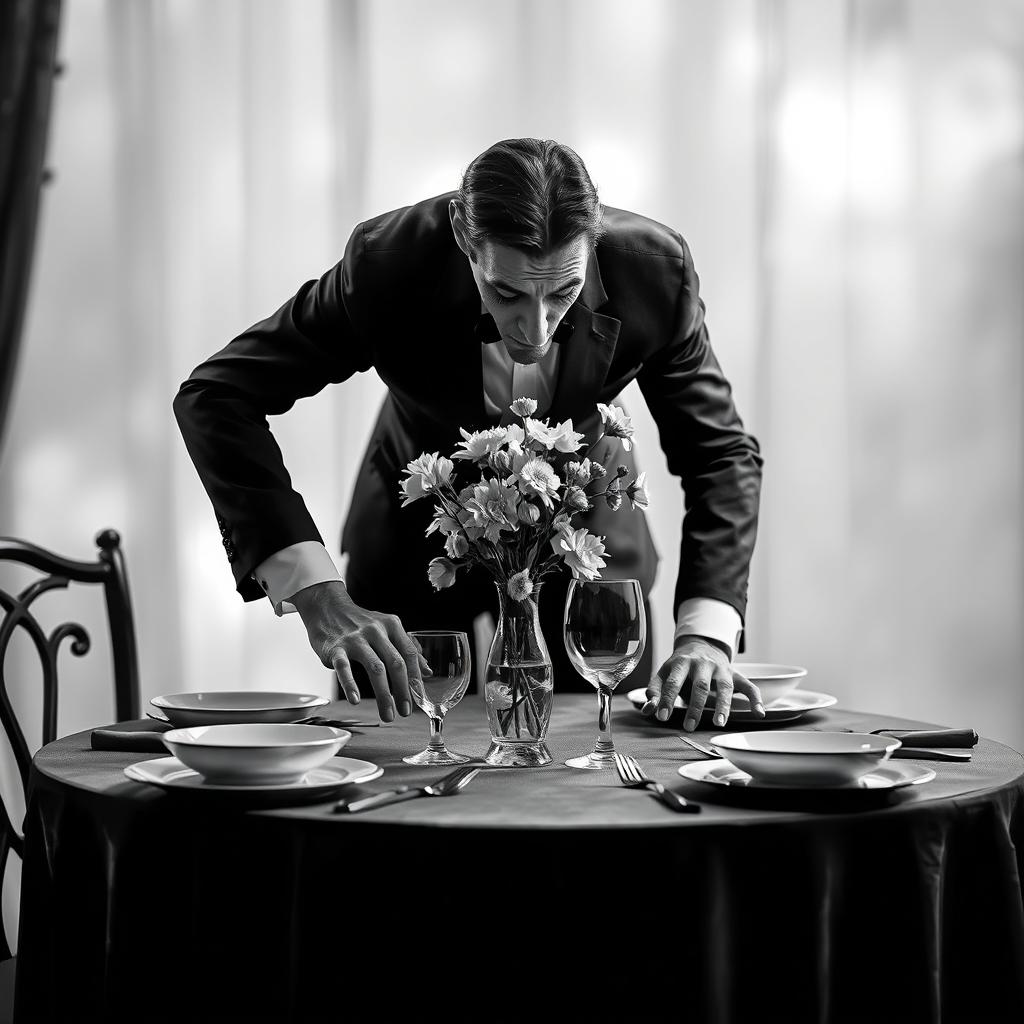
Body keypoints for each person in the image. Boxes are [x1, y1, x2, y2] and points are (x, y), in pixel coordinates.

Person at [174, 138, 765, 732]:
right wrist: (315, 594)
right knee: (393, 766)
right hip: (416, 541)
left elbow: (721, 454)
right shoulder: (387, 264)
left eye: (563, 294)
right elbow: (218, 396)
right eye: (507, 293)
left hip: (586, 545)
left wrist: (708, 636)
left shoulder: (655, 271)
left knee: (603, 764)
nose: (534, 331)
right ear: (462, 234)